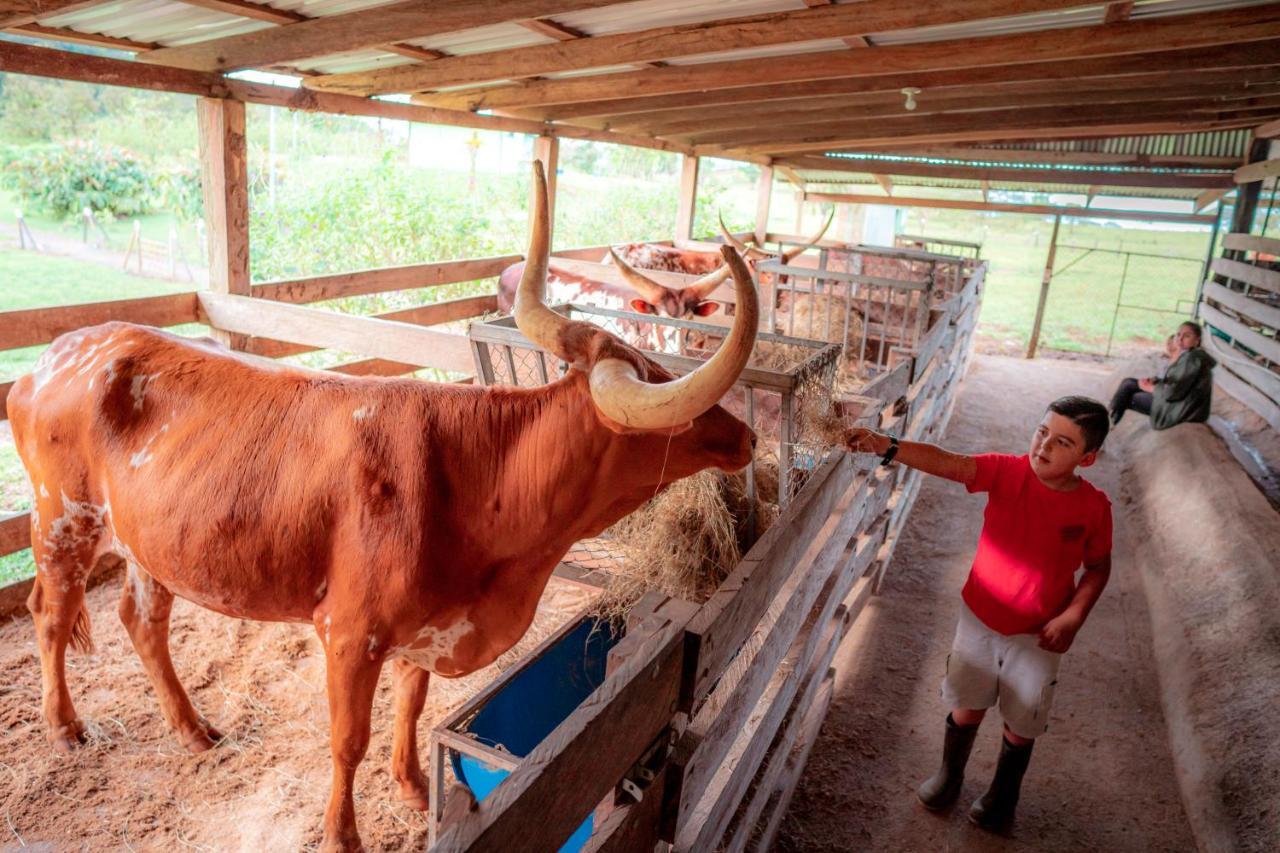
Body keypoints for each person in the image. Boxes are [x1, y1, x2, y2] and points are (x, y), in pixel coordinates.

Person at [843, 396, 1113, 834]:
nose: (1043, 445)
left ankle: (1003, 796)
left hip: (1038, 634)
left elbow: (1098, 567)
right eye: (1042, 431)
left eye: (1061, 442)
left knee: (1023, 718)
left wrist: (1074, 616)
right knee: (967, 703)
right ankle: (950, 776)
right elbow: (951, 464)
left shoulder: (1093, 508)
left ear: (1088, 458)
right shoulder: (1007, 472)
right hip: (980, 618)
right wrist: (885, 445)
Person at [1109, 321, 1216, 429]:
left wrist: (1150, 387)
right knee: (1129, 383)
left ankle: (1106, 426)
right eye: (1178, 334)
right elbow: (1179, 383)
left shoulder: (1191, 360)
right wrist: (1156, 381)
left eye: (1187, 336)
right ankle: (1108, 423)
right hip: (1185, 404)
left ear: (1197, 341)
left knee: (1128, 395)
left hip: (1181, 408)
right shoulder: (1190, 356)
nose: (1180, 338)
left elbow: (1172, 392)